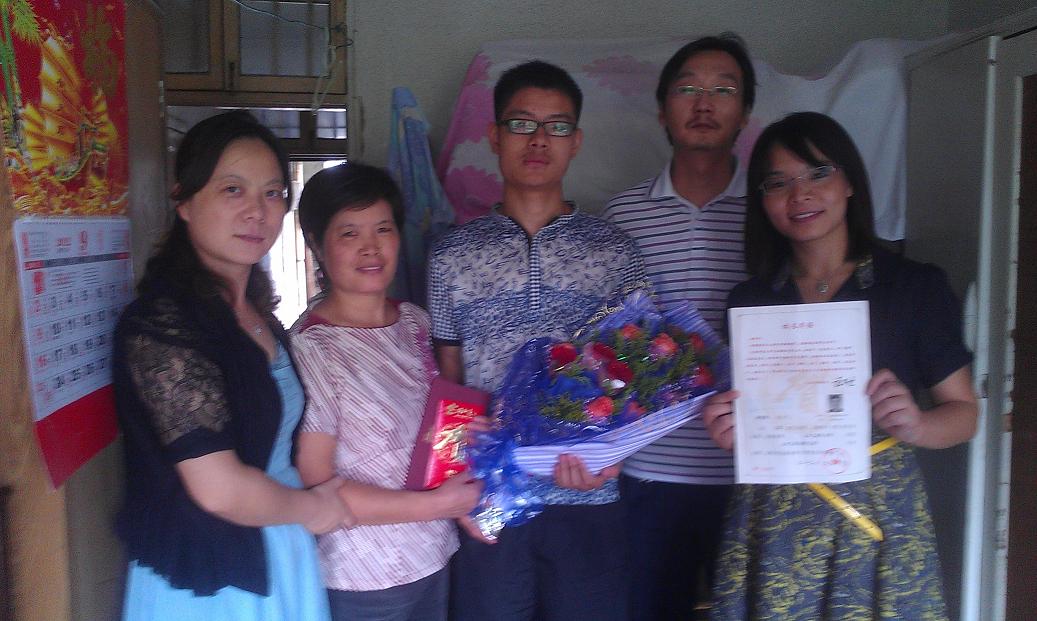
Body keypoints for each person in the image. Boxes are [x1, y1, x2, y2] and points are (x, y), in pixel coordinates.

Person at [702, 111, 978, 620]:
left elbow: (965, 414)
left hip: (878, 517)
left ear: (850, 181)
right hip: (773, 520)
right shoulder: (750, 301)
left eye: (818, 173)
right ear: (762, 200)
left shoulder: (914, 287)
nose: (800, 194)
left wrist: (917, 425)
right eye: (778, 182)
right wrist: (732, 432)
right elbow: (755, 415)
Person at [427, 60, 646, 621]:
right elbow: (449, 380)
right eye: (522, 124)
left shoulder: (615, 252)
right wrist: (455, 488)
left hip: (588, 493)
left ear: (576, 141)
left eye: (557, 126)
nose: (539, 139)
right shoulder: (451, 255)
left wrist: (612, 459)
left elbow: (639, 378)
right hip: (490, 498)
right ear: (494, 136)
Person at [113, 110, 353, 620]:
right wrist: (315, 509)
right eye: (232, 190)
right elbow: (218, 489)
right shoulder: (163, 325)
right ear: (183, 200)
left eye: (272, 193)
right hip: (210, 577)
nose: (257, 212)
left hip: (280, 545)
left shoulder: (259, 314)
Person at [602, 33, 754, 619]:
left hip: (748, 469)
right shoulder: (623, 214)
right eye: (688, 89)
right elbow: (604, 344)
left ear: (745, 113)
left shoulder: (774, 209)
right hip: (648, 473)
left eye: (723, 90)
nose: (704, 103)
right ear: (663, 111)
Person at [290, 163, 483, 621]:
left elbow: (441, 428)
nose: (370, 247)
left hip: (434, 554)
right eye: (349, 233)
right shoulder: (313, 347)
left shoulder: (415, 322)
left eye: (383, 228)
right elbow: (317, 482)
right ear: (316, 243)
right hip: (363, 576)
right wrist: (436, 505)